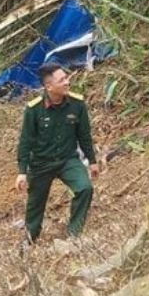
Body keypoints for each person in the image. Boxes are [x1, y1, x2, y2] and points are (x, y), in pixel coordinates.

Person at [15, 62, 100, 244]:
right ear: (49, 86)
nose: (67, 82)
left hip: (67, 160)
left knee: (85, 188)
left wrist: (92, 161)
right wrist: (22, 172)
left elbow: (84, 135)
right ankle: (30, 240)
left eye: (66, 78)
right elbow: (25, 142)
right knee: (35, 206)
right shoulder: (34, 109)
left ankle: (73, 233)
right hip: (41, 164)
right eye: (62, 80)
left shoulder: (77, 105)